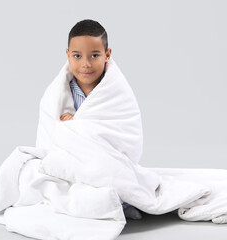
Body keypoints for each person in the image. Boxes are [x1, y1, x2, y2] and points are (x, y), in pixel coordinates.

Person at [59, 19, 142, 220]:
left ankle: (123, 202)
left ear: (107, 55)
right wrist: (68, 128)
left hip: (108, 158)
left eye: (94, 55)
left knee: (116, 175)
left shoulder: (114, 90)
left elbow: (124, 130)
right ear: (68, 55)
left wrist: (77, 124)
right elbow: (52, 131)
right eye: (77, 56)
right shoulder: (63, 90)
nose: (85, 64)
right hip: (78, 160)